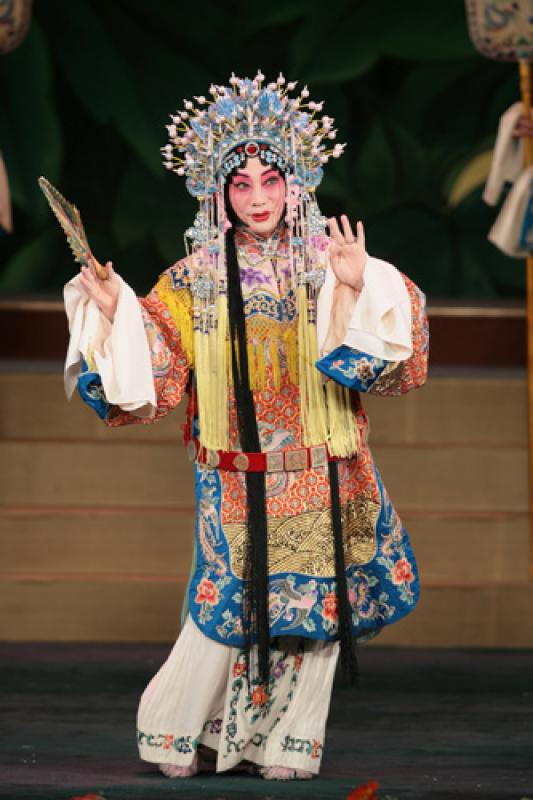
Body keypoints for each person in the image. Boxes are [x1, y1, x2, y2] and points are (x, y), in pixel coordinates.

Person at [63, 71, 429, 781]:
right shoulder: (193, 277)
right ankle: (180, 732)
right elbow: (158, 373)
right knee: (226, 609)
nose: (258, 198)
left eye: (271, 180)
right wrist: (116, 311)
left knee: (318, 616)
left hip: (322, 465)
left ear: (297, 183)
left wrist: (360, 283)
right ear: (218, 192)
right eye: (241, 185)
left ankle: (288, 743)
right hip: (234, 476)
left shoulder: (328, 264)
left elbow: (395, 359)